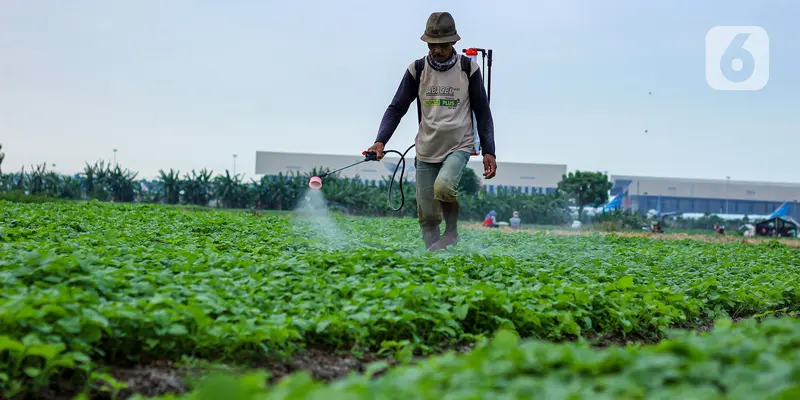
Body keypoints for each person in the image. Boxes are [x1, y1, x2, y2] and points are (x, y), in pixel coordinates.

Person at [366, 11, 496, 251]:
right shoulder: (417, 70)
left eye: (442, 45)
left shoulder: (469, 68)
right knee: (427, 216)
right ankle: (435, 259)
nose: (436, 49)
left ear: (453, 42)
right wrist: (380, 141)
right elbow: (396, 108)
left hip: (459, 145)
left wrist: (490, 150)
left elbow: (483, 112)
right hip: (426, 148)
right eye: (432, 44)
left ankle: (452, 232)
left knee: (444, 186)